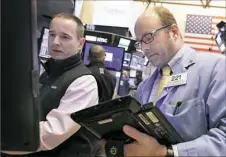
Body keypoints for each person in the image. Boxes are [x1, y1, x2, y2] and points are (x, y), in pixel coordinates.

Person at [122, 6, 226, 156]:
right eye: (139, 42)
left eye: (148, 38)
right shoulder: (144, 87)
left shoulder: (216, 69)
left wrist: (168, 153)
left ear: (174, 32)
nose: (144, 48)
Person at [2, 13, 101, 157]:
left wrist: (8, 138)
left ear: (80, 43)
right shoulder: (47, 72)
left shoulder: (84, 82)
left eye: (65, 37)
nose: (55, 42)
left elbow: (51, 133)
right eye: (52, 34)